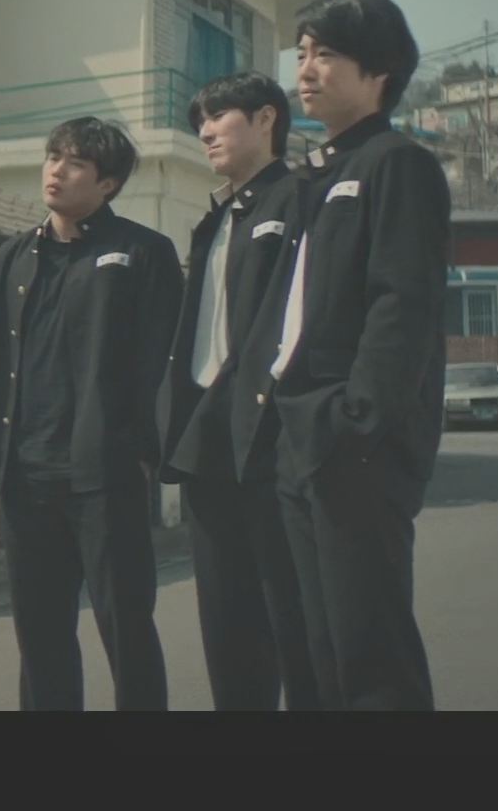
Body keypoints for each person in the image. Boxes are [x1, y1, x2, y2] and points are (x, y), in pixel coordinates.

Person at [233, 0, 450, 710]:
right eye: (301, 53)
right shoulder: (313, 177)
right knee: (315, 657)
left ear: (378, 70)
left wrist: (357, 423)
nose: (306, 69)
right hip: (296, 437)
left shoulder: (397, 165)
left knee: (370, 660)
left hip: (352, 444)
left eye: (326, 54)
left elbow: (402, 306)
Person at [0, 116, 182, 710]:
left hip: (104, 473)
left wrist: (144, 452)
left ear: (107, 183)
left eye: (75, 163)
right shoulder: (13, 257)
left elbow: (159, 361)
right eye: (52, 157)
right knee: (39, 635)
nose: (56, 171)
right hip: (26, 473)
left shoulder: (143, 252)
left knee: (126, 626)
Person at [156, 72, 317, 711]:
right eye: (200, 122)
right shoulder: (216, 217)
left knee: (293, 619)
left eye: (218, 117)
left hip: (273, 444)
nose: (205, 132)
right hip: (208, 442)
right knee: (226, 625)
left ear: (266, 119)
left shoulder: (301, 199)